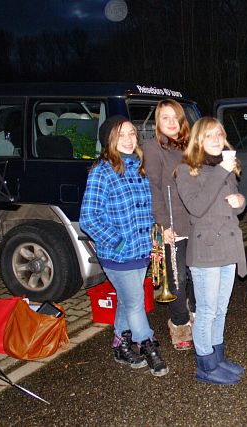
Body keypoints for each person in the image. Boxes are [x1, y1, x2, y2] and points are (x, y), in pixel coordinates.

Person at [80, 115, 168, 377]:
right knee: (135, 302)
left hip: (141, 251)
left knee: (128, 300)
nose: (129, 140)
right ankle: (148, 345)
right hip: (118, 254)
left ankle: (120, 345)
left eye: (132, 134)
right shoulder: (102, 171)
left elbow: (146, 210)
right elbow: (89, 218)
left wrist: (155, 239)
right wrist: (117, 242)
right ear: (109, 140)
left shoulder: (139, 167)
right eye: (121, 135)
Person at [175, 116, 247, 385]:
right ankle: (205, 365)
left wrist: (240, 201)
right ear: (198, 140)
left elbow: (231, 206)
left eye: (219, 134)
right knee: (206, 310)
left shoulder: (225, 166)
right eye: (209, 135)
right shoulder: (186, 170)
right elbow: (197, 207)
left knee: (221, 308)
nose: (216, 139)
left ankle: (218, 358)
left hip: (228, 246)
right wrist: (221, 172)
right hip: (205, 250)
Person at [143, 99, 195, 351]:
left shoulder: (192, 146)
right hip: (173, 223)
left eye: (176, 117)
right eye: (165, 117)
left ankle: (195, 313)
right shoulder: (153, 148)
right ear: (158, 121)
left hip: (197, 221)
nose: (172, 122)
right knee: (177, 278)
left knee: (197, 274)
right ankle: (180, 323)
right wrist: (163, 224)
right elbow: (153, 188)